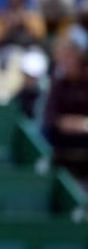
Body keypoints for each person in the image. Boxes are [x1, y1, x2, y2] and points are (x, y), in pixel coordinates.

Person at [43, 39, 88, 179]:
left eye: (71, 59)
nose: (67, 64)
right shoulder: (58, 85)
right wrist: (64, 122)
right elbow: (49, 116)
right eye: (64, 60)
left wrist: (84, 124)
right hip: (62, 140)